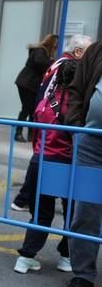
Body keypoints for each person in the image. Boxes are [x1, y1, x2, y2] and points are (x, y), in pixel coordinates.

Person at [12, 50, 81, 274]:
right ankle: (66, 257)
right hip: (67, 163)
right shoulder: (77, 105)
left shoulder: (44, 101)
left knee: (41, 212)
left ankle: (26, 257)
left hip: (41, 160)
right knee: (71, 212)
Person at [10, 34, 92, 211]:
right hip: (54, 129)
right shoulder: (67, 66)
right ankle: (24, 200)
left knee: (40, 164)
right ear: (78, 52)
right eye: (89, 52)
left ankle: (23, 199)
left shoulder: (60, 62)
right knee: (49, 174)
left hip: (47, 126)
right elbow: (53, 95)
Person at [64, 41, 102, 287]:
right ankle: (83, 274)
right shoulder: (97, 50)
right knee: (85, 211)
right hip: (91, 142)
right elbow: (77, 89)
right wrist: (77, 128)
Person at [13, 33, 58, 142]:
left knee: (30, 108)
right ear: (52, 43)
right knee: (28, 109)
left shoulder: (41, 51)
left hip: (29, 84)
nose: (56, 47)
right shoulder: (40, 51)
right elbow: (39, 62)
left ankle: (30, 134)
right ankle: (20, 133)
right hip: (27, 83)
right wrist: (53, 62)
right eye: (56, 45)